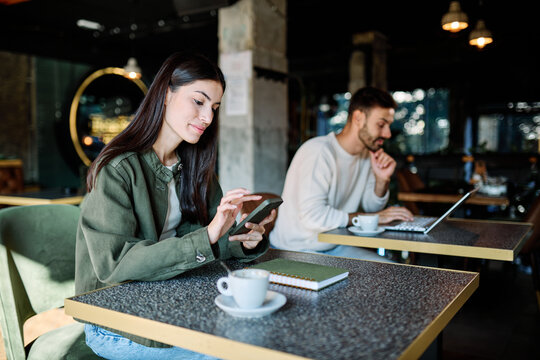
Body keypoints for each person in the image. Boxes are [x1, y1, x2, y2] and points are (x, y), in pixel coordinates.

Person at [75, 52, 275, 360]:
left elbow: (207, 242)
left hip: (169, 303)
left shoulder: (195, 165)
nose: (208, 117)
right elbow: (115, 265)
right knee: (237, 352)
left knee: (263, 335)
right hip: (115, 322)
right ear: (166, 94)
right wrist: (209, 236)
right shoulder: (117, 169)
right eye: (199, 101)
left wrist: (241, 241)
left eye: (214, 107)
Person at [270, 86, 413, 261]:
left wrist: (381, 180)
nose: (388, 133)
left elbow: (371, 208)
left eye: (388, 126)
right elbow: (313, 217)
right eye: (381, 124)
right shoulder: (319, 152)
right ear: (358, 118)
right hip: (295, 250)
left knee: (390, 272)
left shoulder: (367, 155)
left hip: (334, 246)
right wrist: (371, 217)